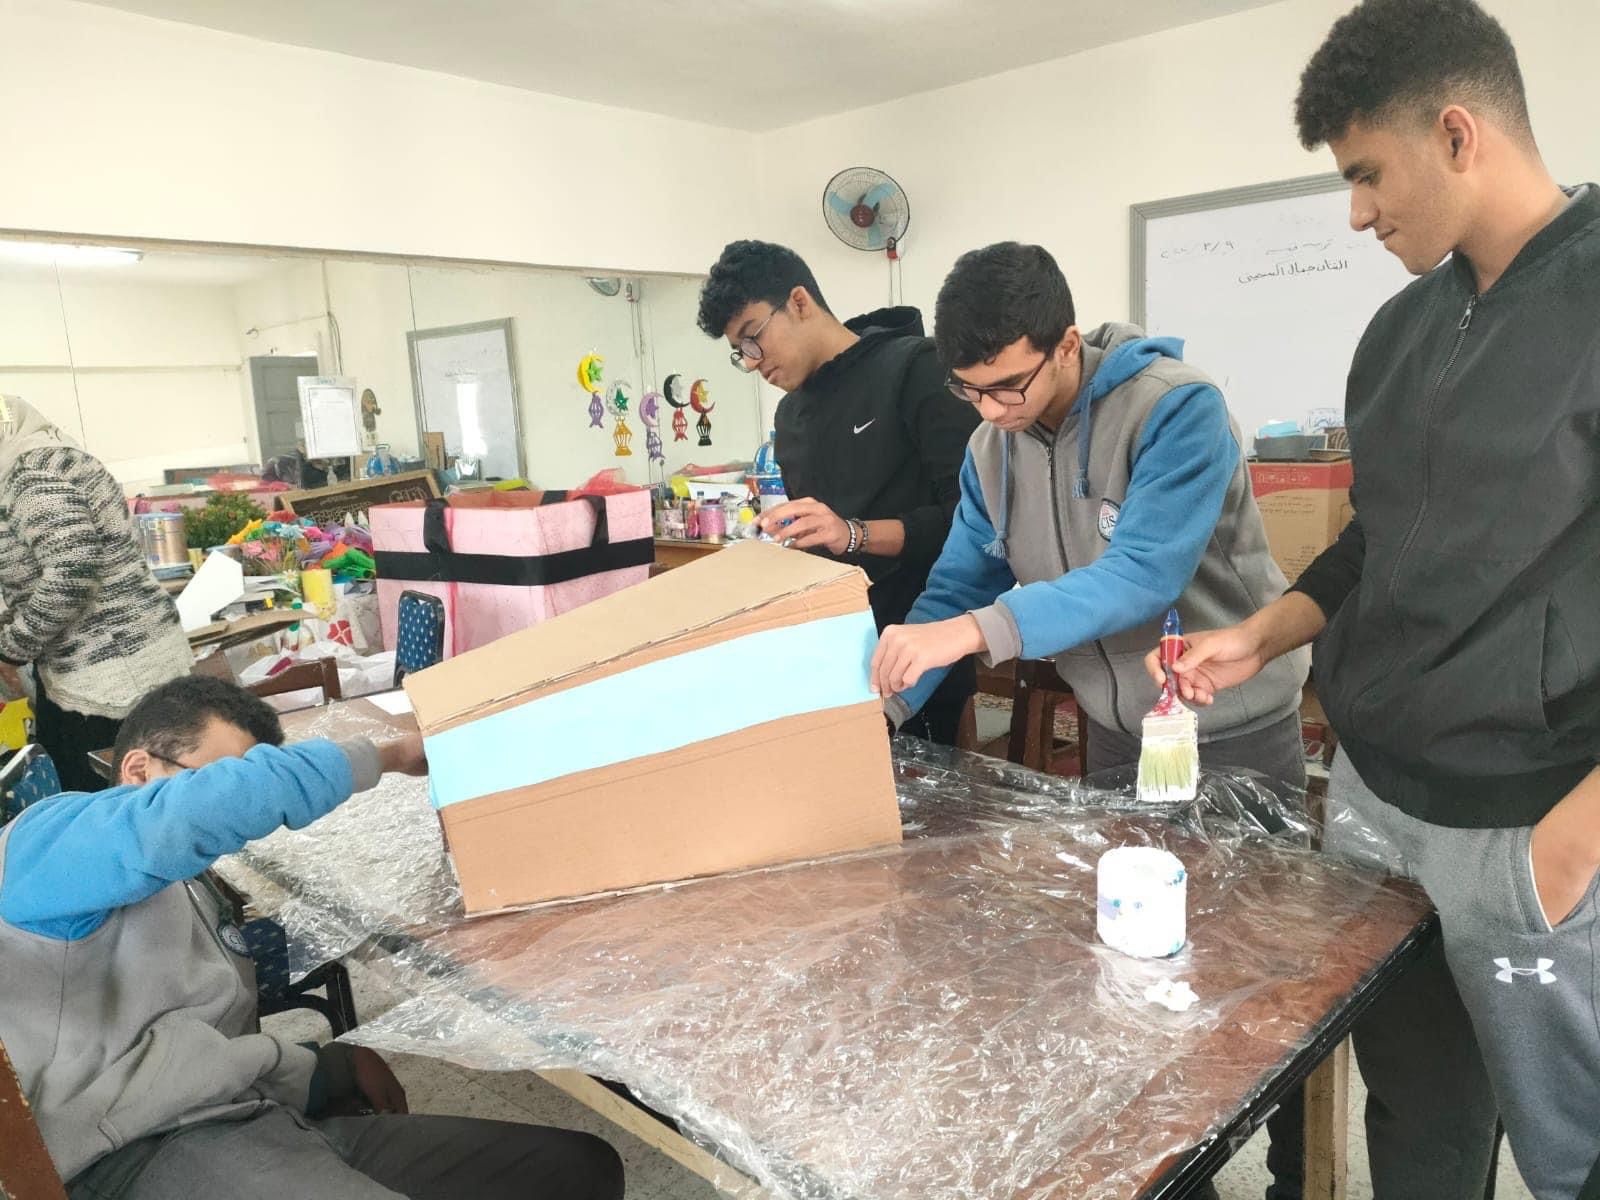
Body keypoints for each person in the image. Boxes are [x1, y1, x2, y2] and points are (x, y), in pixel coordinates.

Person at [1151, 2, 1600, 1196]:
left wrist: (1573, 841)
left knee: (1573, 1148)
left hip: (1528, 820)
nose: (1355, 213)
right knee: (1415, 1108)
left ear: (1457, 133)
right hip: (1369, 802)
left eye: (1364, 173)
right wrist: (1260, 635)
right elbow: (1372, 542)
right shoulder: (1399, 331)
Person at [871, 242, 1310, 1200]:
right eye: (969, 391)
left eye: (1009, 385)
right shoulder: (991, 451)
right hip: (1118, 734)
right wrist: (889, 696)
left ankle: (1297, 1172)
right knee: (1142, 969)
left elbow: (1138, 577)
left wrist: (976, 633)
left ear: (1067, 344)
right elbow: (958, 582)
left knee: (1268, 976)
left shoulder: (1175, 410)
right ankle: (1178, 1172)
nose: (992, 410)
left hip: (1231, 726)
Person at [0, 675, 624, 1200]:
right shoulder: (44, 846)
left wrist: (319, 1067)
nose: (245, 817)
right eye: (223, 779)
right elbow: (210, 807)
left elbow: (197, 1040)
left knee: (576, 1168)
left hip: (247, 1118)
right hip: (135, 1155)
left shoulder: (184, 884)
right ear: (138, 770)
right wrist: (393, 754)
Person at [697, 240, 981, 745]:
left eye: (753, 337)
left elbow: (971, 528)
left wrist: (854, 534)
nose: (753, 361)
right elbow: (818, 543)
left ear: (799, 301)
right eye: (740, 352)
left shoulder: (915, 370)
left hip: (920, 651)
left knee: (929, 793)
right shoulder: (790, 416)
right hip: (829, 656)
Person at [0, 395, 192, 791]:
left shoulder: (30, 475)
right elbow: (40, 575)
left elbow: (72, 572)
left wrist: (12, 647)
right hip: (113, 666)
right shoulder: (46, 460)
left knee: (106, 804)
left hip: (110, 675)